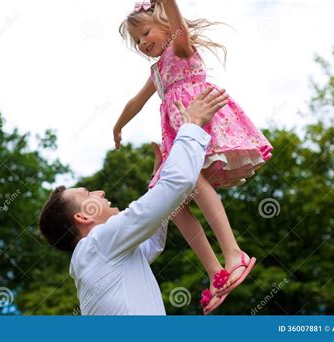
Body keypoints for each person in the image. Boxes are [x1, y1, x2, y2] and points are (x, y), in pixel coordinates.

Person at [114, 0, 274, 313]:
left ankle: (234, 252)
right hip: (178, 136)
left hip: (202, 121)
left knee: (193, 179)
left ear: (163, 25)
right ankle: (216, 271)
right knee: (171, 203)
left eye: (145, 33)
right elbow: (135, 102)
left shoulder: (180, 47)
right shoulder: (157, 71)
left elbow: (179, 25)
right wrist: (118, 126)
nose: (142, 43)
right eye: (137, 41)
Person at [39, 88, 228, 315]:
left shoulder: (101, 255)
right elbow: (178, 184)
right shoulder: (97, 245)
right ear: (82, 217)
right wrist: (192, 125)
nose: (99, 192)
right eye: (88, 193)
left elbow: (152, 242)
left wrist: (157, 182)